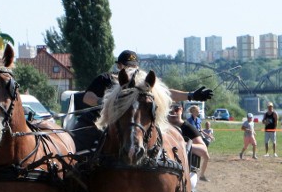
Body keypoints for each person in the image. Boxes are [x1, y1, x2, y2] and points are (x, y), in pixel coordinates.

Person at [71, 50, 214, 153]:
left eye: (133, 66)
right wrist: (106, 103)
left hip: (132, 123)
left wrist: (191, 95)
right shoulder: (105, 79)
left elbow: (165, 93)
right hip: (100, 122)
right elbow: (87, 97)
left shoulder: (142, 84)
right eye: (127, 65)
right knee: (76, 145)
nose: (131, 69)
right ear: (119, 66)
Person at [169, 103, 211, 181]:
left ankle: (202, 175)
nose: (173, 113)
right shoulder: (160, 128)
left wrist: (183, 144)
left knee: (190, 184)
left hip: (186, 169)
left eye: (176, 109)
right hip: (164, 168)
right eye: (169, 110)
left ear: (181, 110)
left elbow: (203, 150)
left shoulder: (188, 127)